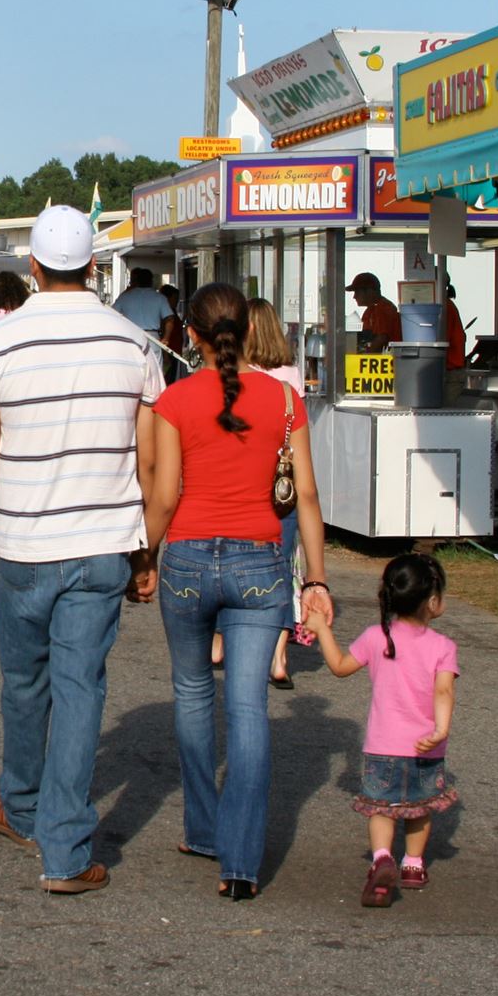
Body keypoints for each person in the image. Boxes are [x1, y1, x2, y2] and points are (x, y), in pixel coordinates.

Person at [0, 206, 162, 895]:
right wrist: (146, 551)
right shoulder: (134, 343)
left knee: (25, 681)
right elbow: (147, 454)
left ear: (35, 268)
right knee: (80, 689)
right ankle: (67, 851)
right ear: (95, 267)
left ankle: (20, 805)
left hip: (21, 539)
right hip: (104, 537)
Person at [142, 284, 332, 901]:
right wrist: (318, 578)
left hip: (189, 560)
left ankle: (202, 828)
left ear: (190, 334)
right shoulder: (283, 399)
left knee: (193, 694)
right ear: (250, 329)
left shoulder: (174, 400)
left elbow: (165, 496)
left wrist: (142, 558)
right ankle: (242, 863)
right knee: (248, 707)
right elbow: (304, 496)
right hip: (260, 563)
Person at [305, 552, 460, 907]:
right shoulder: (443, 647)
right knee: (420, 807)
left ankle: (381, 859)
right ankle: (414, 865)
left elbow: (341, 666)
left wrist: (322, 629)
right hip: (425, 747)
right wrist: (440, 729)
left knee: (382, 808)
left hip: (382, 747)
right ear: (433, 601)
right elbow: (443, 690)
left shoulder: (377, 637)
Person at [244, 297, 314, 689]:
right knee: (284, 566)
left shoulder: (243, 374)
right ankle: (279, 654)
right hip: (283, 485)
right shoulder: (292, 374)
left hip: (248, 483)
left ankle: (225, 641)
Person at [347, 272, 403, 351]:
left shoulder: (384, 308)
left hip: (391, 359)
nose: (354, 296)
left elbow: (381, 339)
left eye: (357, 292)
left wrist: (364, 358)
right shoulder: (370, 311)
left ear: (370, 291)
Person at [113, 266, 170, 335]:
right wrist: (166, 338)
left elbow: (112, 313)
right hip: (152, 336)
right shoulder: (160, 298)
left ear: (137, 281)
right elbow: (169, 318)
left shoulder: (125, 297)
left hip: (131, 334)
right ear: (151, 281)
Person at [442, 281, 468, 370]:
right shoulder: (447, 304)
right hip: (450, 362)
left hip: (451, 363)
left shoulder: (445, 307)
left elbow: (443, 337)